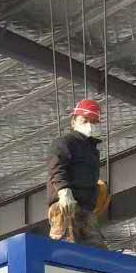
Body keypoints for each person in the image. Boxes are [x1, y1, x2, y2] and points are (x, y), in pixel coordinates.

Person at [46, 99, 107, 247]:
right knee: (66, 248)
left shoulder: (92, 151)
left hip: (86, 210)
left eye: (93, 121)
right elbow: (57, 167)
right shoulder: (65, 142)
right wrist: (63, 191)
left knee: (96, 251)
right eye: (84, 120)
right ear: (73, 122)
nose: (89, 125)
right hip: (67, 205)